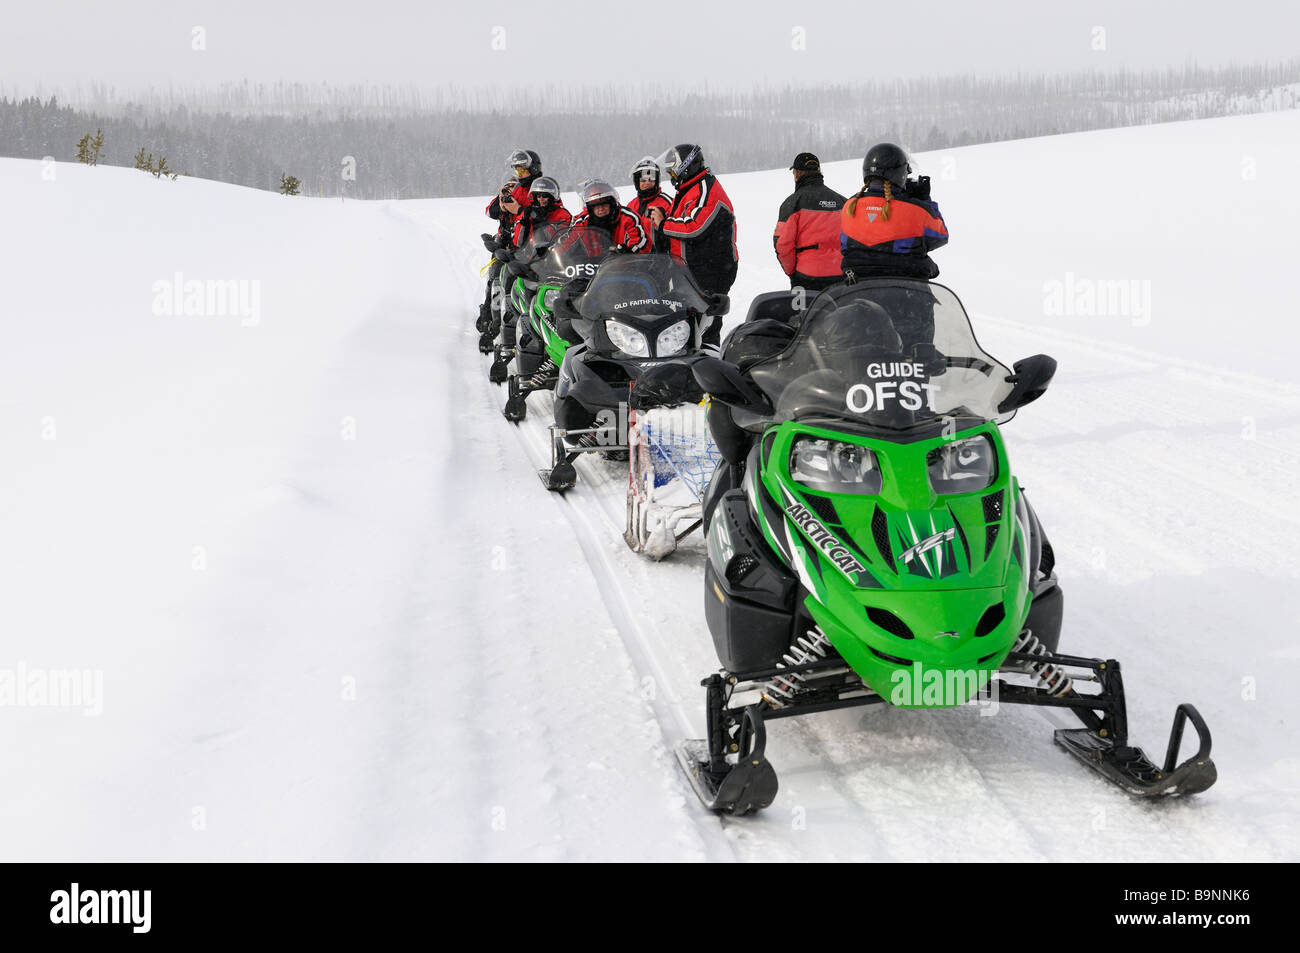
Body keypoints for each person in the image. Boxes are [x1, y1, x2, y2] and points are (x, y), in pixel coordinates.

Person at [650, 143, 737, 344]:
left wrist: (663, 224)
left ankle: (710, 364)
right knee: (688, 321)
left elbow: (693, 226)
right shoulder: (688, 189)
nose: (671, 175)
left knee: (706, 325)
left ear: (686, 167)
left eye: (673, 170)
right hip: (692, 269)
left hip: (713, 269)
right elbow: (678, 221)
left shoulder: (707, 188)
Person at [840, 142, 947, 283]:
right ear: (900, 174)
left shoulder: (849, 206)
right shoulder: (916, 210)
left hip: (859, 291)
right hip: (906, 293)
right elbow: (941, 235)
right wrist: (925, 200)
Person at [773, 152, 845, 293]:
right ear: (819, 171)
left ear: (796, 174)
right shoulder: (843, 202)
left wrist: (792, 273)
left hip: (808, 277)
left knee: (809, 315)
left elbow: (783, 245)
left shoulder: (792, 203)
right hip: (840, 275)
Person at [569, 180, 651, 253]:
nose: (601, 209)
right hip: (592, 267)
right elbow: (567, 242)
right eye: (596, 206)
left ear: (611, 204)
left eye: (604, 204)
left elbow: (641, 243)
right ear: (590, 208)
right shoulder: (583, 222)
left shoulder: (628, 218)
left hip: (625, 267)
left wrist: (627, 251)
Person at [512, 176, 571, 248]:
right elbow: (517, 242)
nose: (541, 199)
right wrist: (524, 223)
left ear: (551, 196)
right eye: (538, 196)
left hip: (553, 255)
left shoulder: (563, 214)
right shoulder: (530, 212)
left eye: (545, 196)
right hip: (530, 255)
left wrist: (542, 224)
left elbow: (563, 239)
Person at [625, 157, 672, 236]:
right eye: (643, 179)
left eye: (651, 179)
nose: (647, 182)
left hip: (660, 248)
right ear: (637, 182)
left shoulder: (668, 203)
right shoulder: (631, 205)